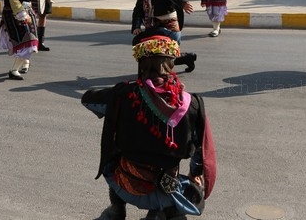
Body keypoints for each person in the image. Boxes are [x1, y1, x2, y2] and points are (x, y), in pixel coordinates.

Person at [81, 33, 216, 220]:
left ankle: (116, 210)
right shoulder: (192, 104)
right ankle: (161, 213)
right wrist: (195, 174)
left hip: (126, 185)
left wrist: (115, 94)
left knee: (113, 160)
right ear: (172, 63)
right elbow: (200, 149)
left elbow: (88, 99)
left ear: (140, 63)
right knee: (184, 189)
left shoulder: (124, 94)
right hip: (168, 188)